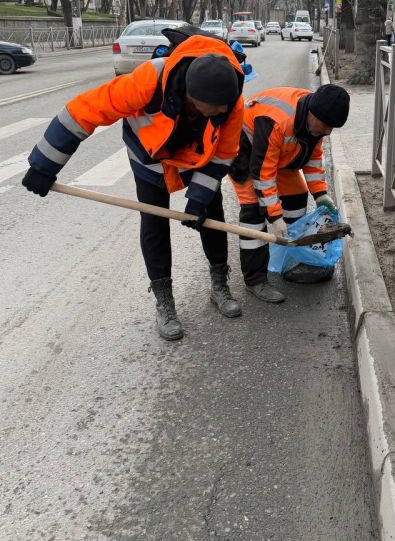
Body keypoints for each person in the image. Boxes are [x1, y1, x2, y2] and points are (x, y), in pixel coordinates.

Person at [22, 26, 247, 341]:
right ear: (192, 98)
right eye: (217, 108)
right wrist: (43, 165)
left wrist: (198, 196)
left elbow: (225, 153)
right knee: (154, 220)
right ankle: (164, 301)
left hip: (198, 159)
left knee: (211, 215)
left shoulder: (231, 98)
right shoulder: (149, 80)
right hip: (149, 156)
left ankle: (219, 284)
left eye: (227, 106)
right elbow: (84, 111)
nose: (224, 112)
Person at [229, 84, 350, 303]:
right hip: (246, 152)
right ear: (313, 114)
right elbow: (263, 174)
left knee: (296, 198)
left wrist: (320, 193)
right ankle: (255, 280)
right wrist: (275, 216)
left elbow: (313, 158)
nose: (328, 132)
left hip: (279, 154)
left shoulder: (317, 116)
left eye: (331, 128)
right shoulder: (276, 120)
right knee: (254, 213)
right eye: (325, 127)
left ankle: (289, 260)